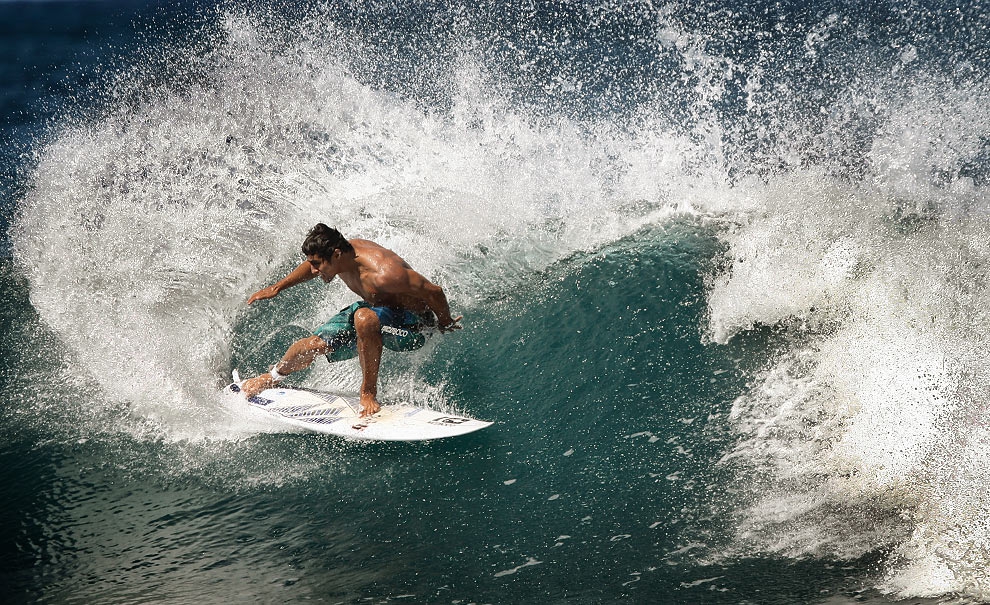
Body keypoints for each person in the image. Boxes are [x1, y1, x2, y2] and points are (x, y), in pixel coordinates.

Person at [238, 224, 462, 416]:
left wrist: (445, 321)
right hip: (377, 312)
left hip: (412, 326)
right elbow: (311, 265)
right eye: (312, 263)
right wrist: (277, 288)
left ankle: (368, 393)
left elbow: (434, 291)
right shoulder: (340, 257)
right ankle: (272, 376)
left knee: (363, 318)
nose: (314, 270)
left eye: (318, 264)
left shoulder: (385, 273)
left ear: (336, 255)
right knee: (314, 344)